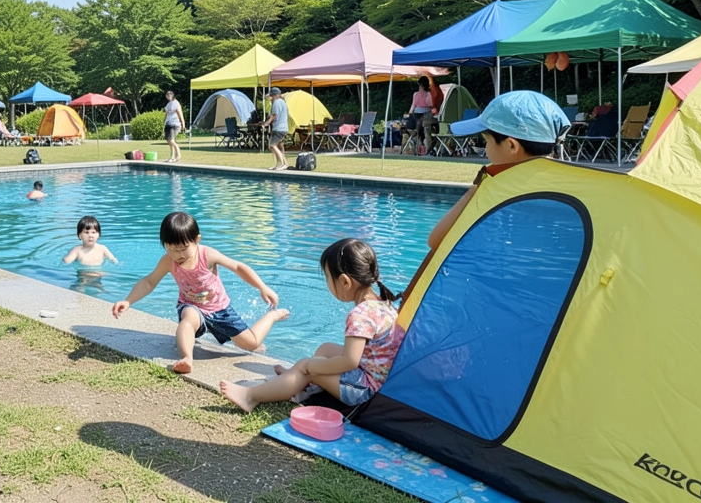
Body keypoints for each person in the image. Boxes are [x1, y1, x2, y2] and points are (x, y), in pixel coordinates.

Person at [403, 90, 568, 301]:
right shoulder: (567, 190)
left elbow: (437, 241)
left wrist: (476, 190)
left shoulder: (499, 190)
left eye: (486, 141)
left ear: (511, 145)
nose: (486, 150)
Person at [219, 238, 403, 412]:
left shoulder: (360, 314)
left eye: (328, 278)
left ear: (345, 281)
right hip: (382, 378)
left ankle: (250, 396)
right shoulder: (383, 304)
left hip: (367, 391)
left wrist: (310, 368)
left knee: (307, 366)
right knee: (326, 348)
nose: (328, 284)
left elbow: (349, 361)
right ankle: (293, 377)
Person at [112, 212, 288, 374]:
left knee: (252, 344)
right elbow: (148, 282)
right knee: (188, 318)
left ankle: (273, 316)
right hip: (192, 306)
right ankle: (187, 358)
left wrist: (262, 287)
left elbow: (237, 267)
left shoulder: (207, 255)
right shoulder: (168, 261)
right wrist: (128, 301)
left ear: (196, 240)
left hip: (220, 309)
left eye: (183, 248)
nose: (178, 254)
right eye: (171, 248)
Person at [261, 87, 290, 170]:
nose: (268, 98)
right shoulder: (283, 102)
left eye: (269, 96)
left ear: (273, 96)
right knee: (279, 146)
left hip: (279, 128)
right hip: (283, 127)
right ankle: (280, 164)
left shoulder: (276, 102)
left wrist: (266, 124)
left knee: (272, 145)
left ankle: (282, 164)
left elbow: (273, 115)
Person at [408, 77, 437, 155]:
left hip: (416, 115)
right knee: (432, 127)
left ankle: (420, 145)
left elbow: (413, 105)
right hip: (426, 115)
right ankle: (429, 146)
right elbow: (430, 105)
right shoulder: (428, 94)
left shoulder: (415, 94)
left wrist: (410, 113)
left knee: (419, 129)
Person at [163, 90, 185, 163]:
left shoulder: (176, 103)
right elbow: (166, 114)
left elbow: (180, 113)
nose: (168, 97)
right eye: (167, 95)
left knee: (171, 140)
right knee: (169, 141)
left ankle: (178, 156)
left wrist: (183, 123)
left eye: (169, 95)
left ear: (172, 95)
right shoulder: (169, 104)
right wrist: (164, 122)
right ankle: (172, 157)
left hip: (175, 124)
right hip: (168, 124)